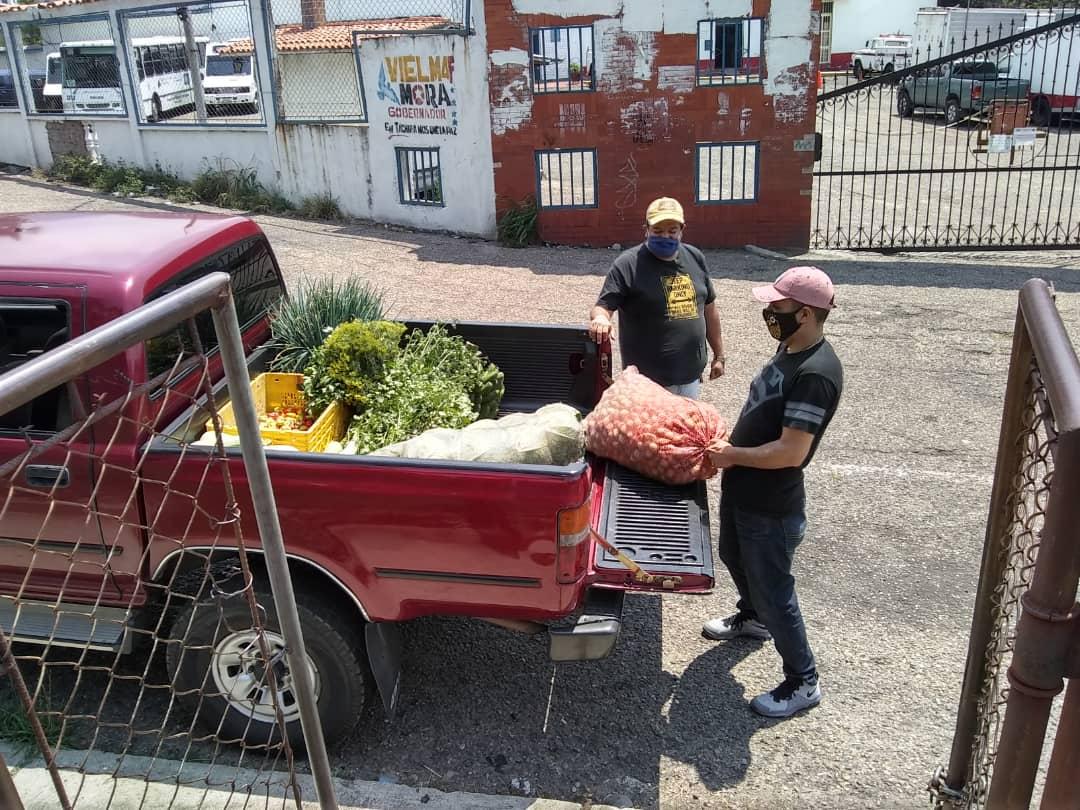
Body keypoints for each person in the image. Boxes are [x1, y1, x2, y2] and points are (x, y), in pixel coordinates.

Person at [702, 266, 843, 719]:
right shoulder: (789, 347)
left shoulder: (816, 373)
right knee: (733, 556)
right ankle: (754, 617)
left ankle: (803, 680)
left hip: (771, 504)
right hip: (744, 488)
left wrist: (732, 456)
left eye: (777, 307)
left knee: (776, 590)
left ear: (805, 313)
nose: (769, 312)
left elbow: (791, 452)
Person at [588, 197, 725, 398]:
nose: (665, 236)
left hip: (690, 379)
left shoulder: (695, 258)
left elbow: (709, 309)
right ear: (646, 230)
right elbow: (603, 306)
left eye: (672, 231)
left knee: (684, 429)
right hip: (647, 386)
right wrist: (600, 319)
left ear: (682, 230)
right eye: (658, 231)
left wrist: (719, 355)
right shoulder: (628, 264)